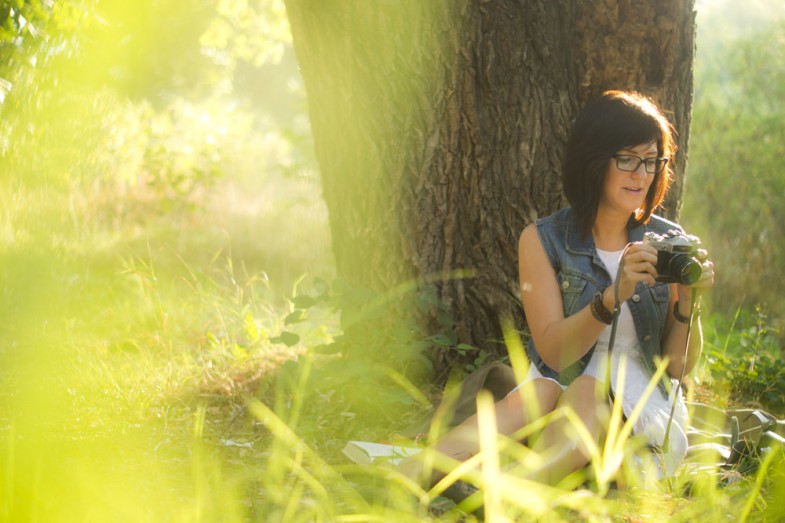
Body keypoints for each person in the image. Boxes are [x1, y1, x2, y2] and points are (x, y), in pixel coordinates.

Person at [399, 90, 715, 487]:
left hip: (636, 406)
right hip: (557, 388)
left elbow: (678, 368)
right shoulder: (543, 239)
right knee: (544, 391)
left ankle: (513, 493)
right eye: (627, 159)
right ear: (594, 161)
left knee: (583, 390)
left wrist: (689, 302)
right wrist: (611, 297)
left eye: (652, 161)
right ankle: (411, 473)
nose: (641, 174)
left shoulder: (668, 241)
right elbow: (553, 353)